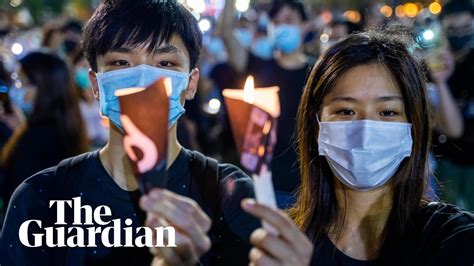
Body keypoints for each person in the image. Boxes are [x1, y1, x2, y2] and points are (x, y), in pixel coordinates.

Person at [0, 1, 259, 265]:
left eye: (166, 62)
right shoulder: (42, 198)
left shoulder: (227, 195)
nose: (142, 80)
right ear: (96, 83)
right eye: (121, 62)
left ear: (190, 83)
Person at [241, 30, 474, 265]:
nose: (364, 130)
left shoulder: (455, 239)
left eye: (387, 113)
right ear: (316, 124)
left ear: (413, 127)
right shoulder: (282, 246)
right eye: (346, 111)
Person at [222, 0, 313, 205]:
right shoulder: (259, 67)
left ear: (305, 25)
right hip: (263, 182)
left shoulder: (317, 74)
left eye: (289, 20)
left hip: (305, 186)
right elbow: (227, 33)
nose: (281, 27)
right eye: (276, 21)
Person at [1, 51, 89, 207]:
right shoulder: (64, 126)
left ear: (42, 87)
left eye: (22, 82)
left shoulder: (38, 138)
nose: (16, 89)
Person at [433, 0, 474, 211]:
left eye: (465, 28)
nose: (459, 34)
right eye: (452, 29)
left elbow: (453, 129)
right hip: (442, 163)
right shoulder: (431, 64)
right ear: (441, 28)